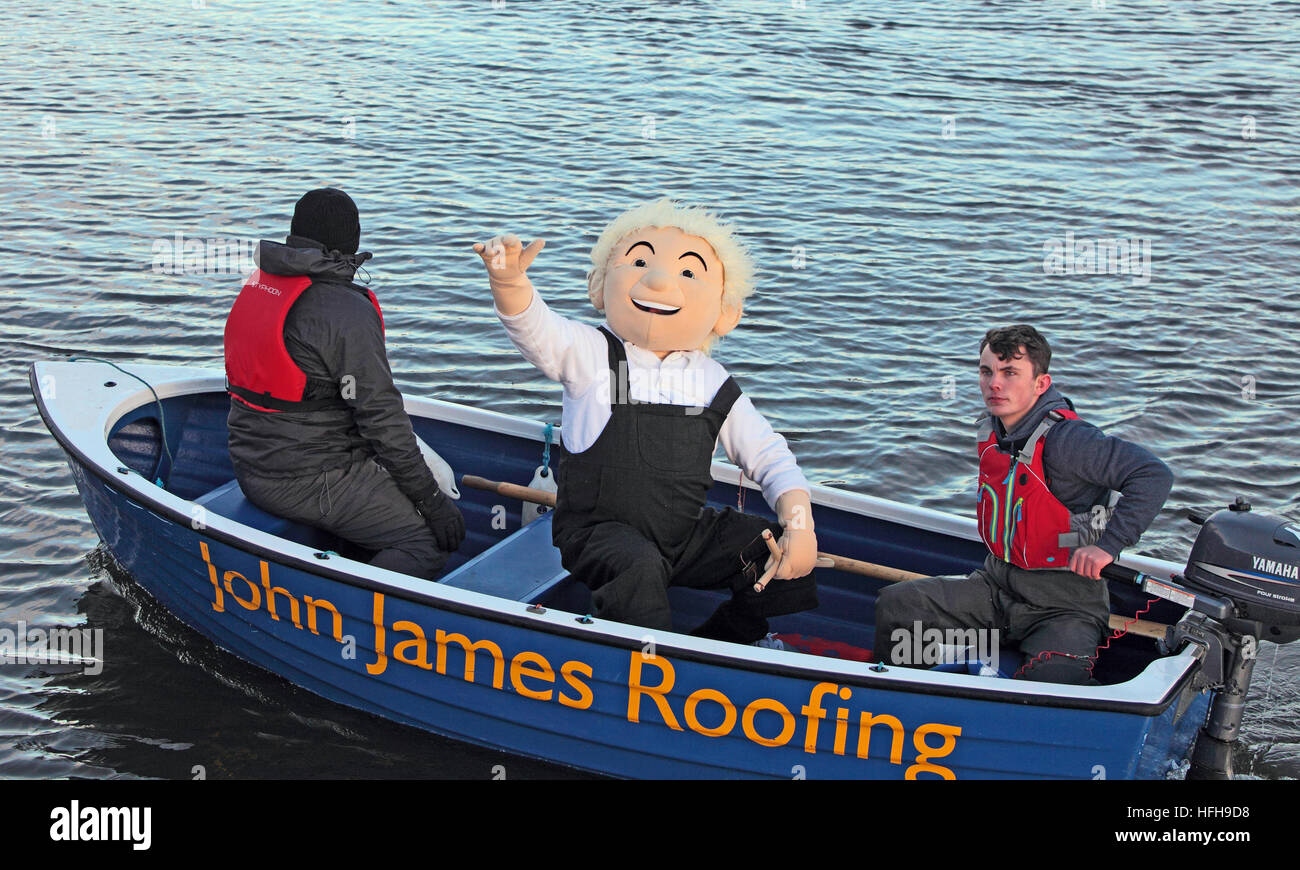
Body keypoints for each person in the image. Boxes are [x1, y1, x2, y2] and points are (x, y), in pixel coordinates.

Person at [472, 198, 819, 643]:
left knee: (769, 544)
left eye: (688, 273)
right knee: (637, 568)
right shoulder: (591, 354)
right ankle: (652, 672)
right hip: (597, 535)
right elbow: (535, 327)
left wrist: (800, 525)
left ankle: (733, 638)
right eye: (639, 262)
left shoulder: (711, 382)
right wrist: (509, 281)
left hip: (683, 536)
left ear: (724, 312)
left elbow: (770, 458)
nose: (658, 281)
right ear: (600, 284)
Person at [873, 324, 1173, 684]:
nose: (994, 384)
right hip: (996, 590)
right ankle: (905, 704)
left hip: (1064, 606)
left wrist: (1109, 546)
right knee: (900, 607)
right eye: (987, 372)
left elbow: (1153, 475)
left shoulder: (1070, 441)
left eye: (1010, 373)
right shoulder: (994, 430)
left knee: (1054, 680)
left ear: (1041, 384)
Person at [223, 187, 464, 580]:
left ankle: (348, 564)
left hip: (252, 462)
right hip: (304, 475)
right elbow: (381, 416)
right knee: (426, 543)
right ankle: (337, 620)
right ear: (351, 241)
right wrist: (431, 501)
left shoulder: (262, 284)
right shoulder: (343, 308)